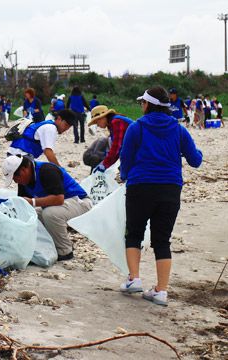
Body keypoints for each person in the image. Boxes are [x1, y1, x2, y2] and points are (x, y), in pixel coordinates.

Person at [119, 86, 203, 306]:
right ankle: (160, 291)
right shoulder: (179, 130)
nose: (141, 106)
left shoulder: (136, 128)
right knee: (162, 240)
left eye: (142, 103)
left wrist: (124, 175)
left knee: (134, 233)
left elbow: (125, 159)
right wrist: (198, 152)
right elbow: (195, 161)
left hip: (141, 187)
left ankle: (134, 279)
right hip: (170, 189)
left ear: (147, 105)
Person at [2, 155, 92, 261]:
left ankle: (65, 250)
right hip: (61, 207)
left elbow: (59, 199)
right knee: (32, 216)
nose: (16, 182)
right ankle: (49, 245)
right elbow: (23, 204)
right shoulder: (24, 180)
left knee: (49, 214)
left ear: (23, 170)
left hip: (80, 202)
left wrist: (32, 202)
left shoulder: (47, 171)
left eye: (15, 178)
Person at [7, 109, 76, 166]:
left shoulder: (47, 123)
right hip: (21, 154)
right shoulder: (50, 128)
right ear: (59, 118)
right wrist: (61, 170)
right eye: (66, 125)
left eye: (69, 127)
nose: (66, 128)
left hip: (13, 151)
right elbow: (48, 152)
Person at [87, 105, 133, 172]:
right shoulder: (112, 125)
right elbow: (118, 150)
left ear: (102, 118)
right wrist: (106, 164)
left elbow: (116, 146)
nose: (97, 125)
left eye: (96, 122)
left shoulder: (116, 122)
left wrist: (105, 164)